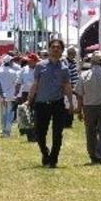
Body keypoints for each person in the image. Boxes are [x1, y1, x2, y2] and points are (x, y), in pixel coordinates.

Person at [26, 39, 74, 168]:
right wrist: (29, 100)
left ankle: (53, 159)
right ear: (49, 49)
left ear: (62, 51)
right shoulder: (40, 66)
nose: (55, 49)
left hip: (58, 103)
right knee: (39, 133)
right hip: (41, 103)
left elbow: (67, 86)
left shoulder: (64, 68)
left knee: (57, 133)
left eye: (58, 47)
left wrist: (71, 103)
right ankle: (45, 153)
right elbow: (35, 84)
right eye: (53, 47)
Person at [74, 51, 101, 165]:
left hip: (88, 107)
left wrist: (79, 110)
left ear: (92, 61)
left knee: (90, 132)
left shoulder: (84, 75)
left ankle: (93, 155)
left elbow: (79, 94)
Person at [0, 54, 21, 137]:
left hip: (1, 95)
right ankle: (7, 130)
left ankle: (3, 130)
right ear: (10, 62)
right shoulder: (13, 72)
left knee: (3, 113)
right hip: (10, 95)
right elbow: (16, 83)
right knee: (10, 113)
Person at [64, 46, 80, 128]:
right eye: (74, 53)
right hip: (69, 86)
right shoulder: (66, 62)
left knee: (72, 103)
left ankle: (69, 121)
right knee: (67, 104)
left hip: (74, 86)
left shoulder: (73, 62)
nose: (75, 54)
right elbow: (67, 75)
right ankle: (66, 122)